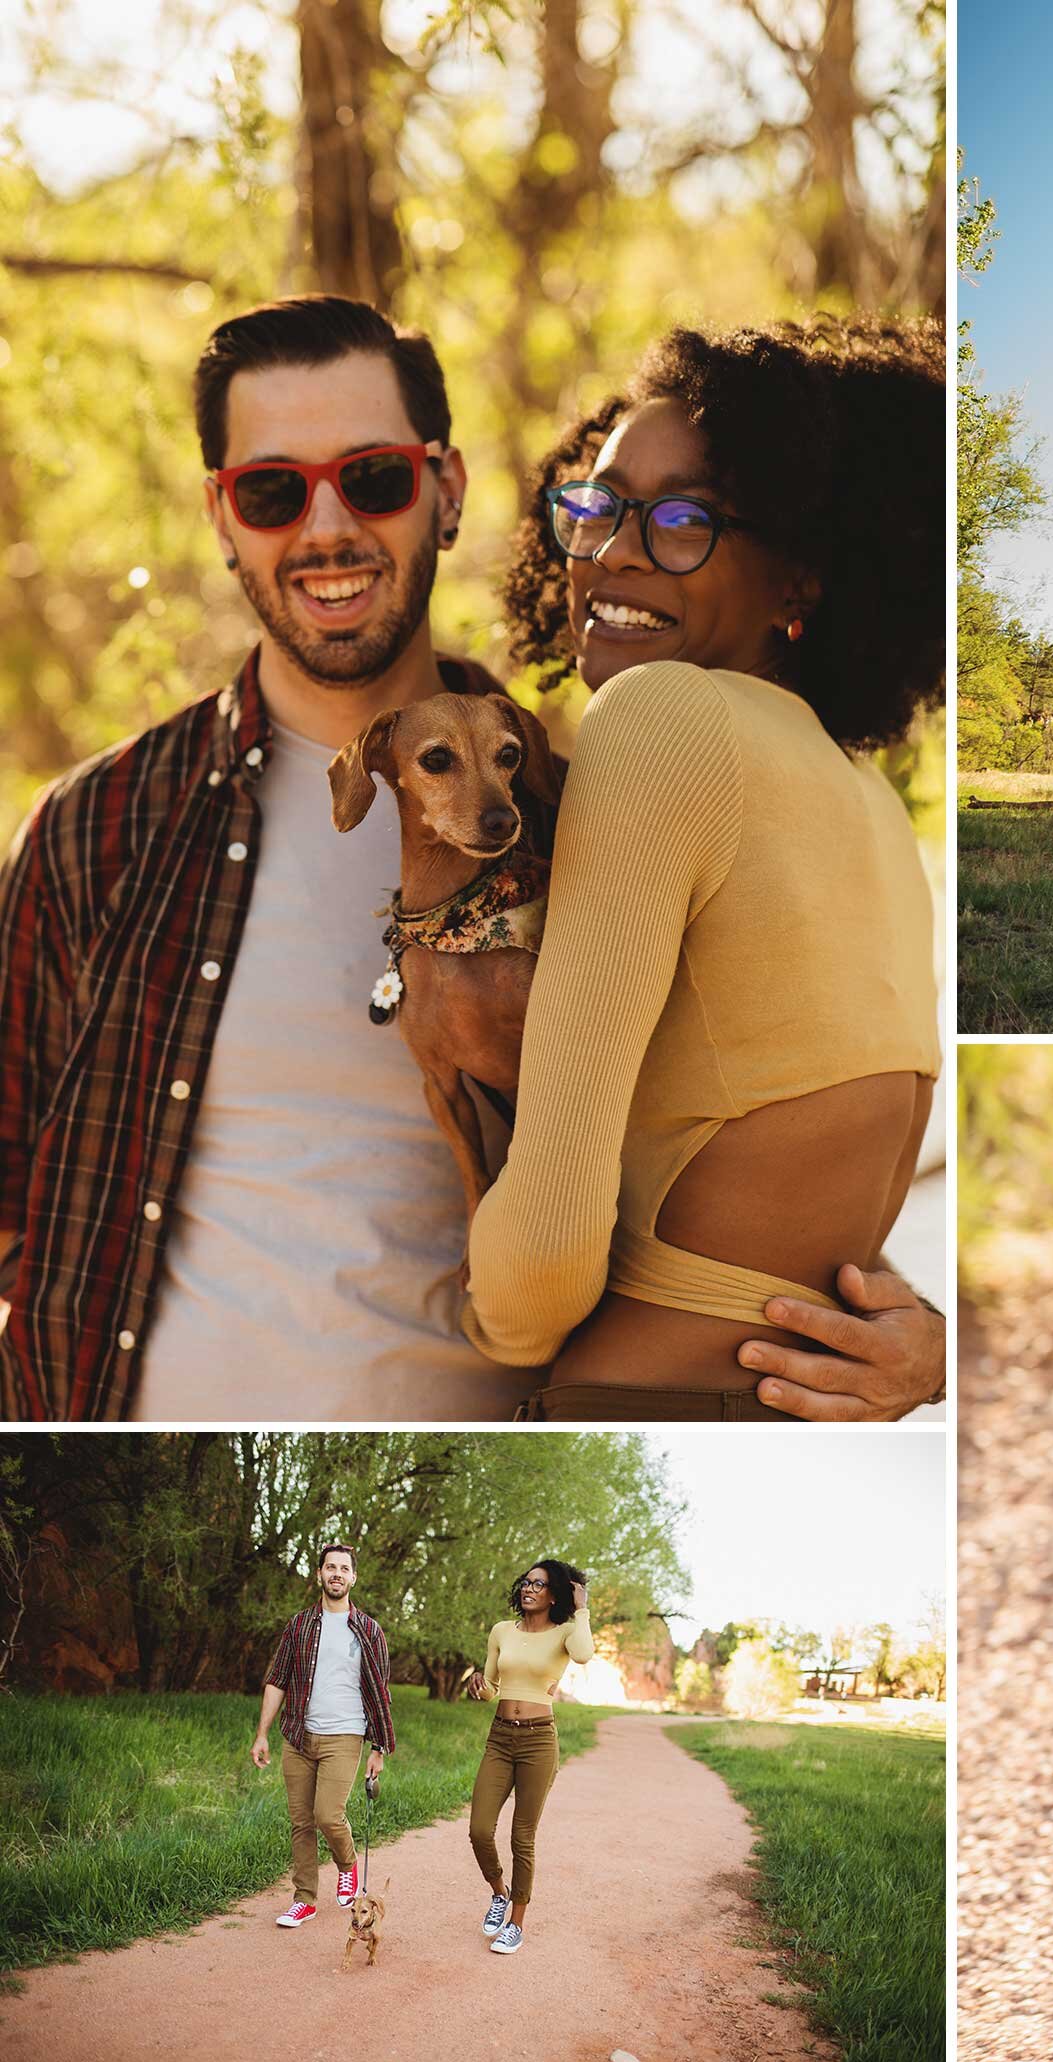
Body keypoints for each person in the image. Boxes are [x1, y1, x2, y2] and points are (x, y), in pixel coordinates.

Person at [0, 295, 943, 1420]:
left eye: (374, 478)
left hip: (540, 1446)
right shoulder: (95, 832)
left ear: (444, 490)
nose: (325, 527)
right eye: (270, 489)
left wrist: (905, 1328)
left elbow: (730, 1132)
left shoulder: (571, 792)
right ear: (221, 513)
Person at [461, 317, 943, 1419]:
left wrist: (467, 1328)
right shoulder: (862, 800)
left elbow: (543, 1254)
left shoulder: (663, 719)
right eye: (596, 505)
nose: (617, 551)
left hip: (644, 1395)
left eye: (686, 519)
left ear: (802, 576)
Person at [250, 1543, 393, 1929]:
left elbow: (380, 1692)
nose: (336, 1574)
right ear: (319, 1574)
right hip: (298, 1735)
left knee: (327, 1815)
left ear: (353, 1577)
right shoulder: (299, 1625)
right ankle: (305, 1900)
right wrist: (262, 1733)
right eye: (330, 1567)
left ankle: (346, 1865)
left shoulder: (369, 1630)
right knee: (300, 1821)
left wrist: (378, 1746)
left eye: (344, 1568)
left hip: (345, 1735)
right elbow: (277, 1680)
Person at [465, 1559, 592, 1955]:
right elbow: (493, 1687)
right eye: (526, 1582)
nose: (529, 1588)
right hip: (500, 1738)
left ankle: (516, 1924)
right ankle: (499, 1892)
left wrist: (583, 1606)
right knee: (480, 1829)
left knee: (523, 1836)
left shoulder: (567, 1633)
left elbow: (585, 1654)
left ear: (556, 1593)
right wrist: (480, 1688)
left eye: (539, 1584)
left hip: (539, 1742)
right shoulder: (502, 1631)